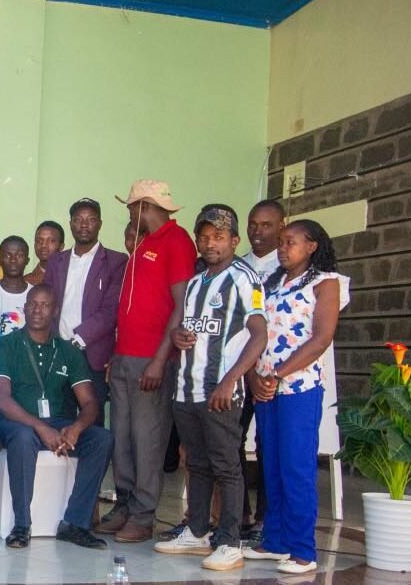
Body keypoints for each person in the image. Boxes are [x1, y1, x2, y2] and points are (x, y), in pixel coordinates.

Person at [153, 206, 267, 571]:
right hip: (187, 390)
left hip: (220, 391)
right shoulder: (196, 280)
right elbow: (186, 326)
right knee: (197, 464)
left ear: (235, 240)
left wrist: (231, 380)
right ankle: (198, 530)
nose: (210, 243)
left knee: (226, 466)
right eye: (204, 237)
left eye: (219, 237)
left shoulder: (244, 279)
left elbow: (259, 334)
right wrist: (176, 335)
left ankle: (230, 541)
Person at [243, 220, 348, 575]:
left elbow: (321, 338)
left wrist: (277, 373)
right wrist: (256, 376)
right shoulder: (270, 282)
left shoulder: (326, 283)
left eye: (291, 242)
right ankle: (275, 541)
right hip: (265, 387)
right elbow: (254, 331)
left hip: (298, 389)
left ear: (312, 246)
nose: (283, 249)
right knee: (270, 464)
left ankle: (304, 550)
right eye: (282, 244)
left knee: (296, 467)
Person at [97, 179, 196, 543]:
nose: (128, 213)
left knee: (147, 439)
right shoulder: (144, 245)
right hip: (124, 357)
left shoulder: (177, 241)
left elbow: (181, 305)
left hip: (151, 362)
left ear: (145, 207)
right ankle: (124, 504)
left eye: (130, 207)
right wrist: (115, 355)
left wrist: (159, 359)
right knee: (120, 437)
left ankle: (143, 513)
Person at [0, 285, 111, 550]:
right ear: (25, 308)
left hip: (58, 421)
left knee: (101, 439)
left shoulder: (68, 350)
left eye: (44, 305)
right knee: (23, 436)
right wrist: (41, 427)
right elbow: (1, 399)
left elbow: (89, 402)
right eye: (32, 304)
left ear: (55, 312)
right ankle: (22, 525)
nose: (37, 310)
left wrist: (76, 427)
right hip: (11, 420)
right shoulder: (5, 346)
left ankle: (75, 523)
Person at [45, 198, 127, 407]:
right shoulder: (56, 261)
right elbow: (48, 303)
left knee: (91, 422)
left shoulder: (116, 261)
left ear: (99, 223)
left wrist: (77, 340)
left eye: (90, 220)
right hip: (57, 352)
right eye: (78, 219)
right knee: (57, 418)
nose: (84, 225)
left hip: (93, 355)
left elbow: (111, 311)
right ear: (70, 223)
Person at [237, 198, 285, 535]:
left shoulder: (289, 267)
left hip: (274, 374)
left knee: (270, 444)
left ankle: (268, 517)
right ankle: (239, 512)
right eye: (253, 224)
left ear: (283, 225)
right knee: (230, 441)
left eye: (266, 224)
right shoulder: (238, 267)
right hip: (238, 371)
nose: (258, 230)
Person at [0, 236, 32, 340]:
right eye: (8, 255)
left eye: (19, 255)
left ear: (27, 260)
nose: (13, 260)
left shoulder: (33, 295)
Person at [27, 220, 65, 286]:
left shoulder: (70, 276)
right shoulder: (26, 281)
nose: (43, 245)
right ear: (34, 245)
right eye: (39, 241)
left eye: (51, 241)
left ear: (61, 246)